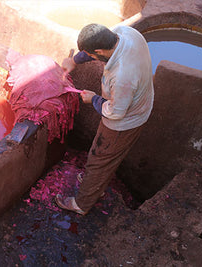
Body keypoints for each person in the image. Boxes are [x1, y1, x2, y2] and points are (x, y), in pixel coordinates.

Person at [55, 23, 154, 215]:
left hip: (124, 121)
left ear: (99, 50)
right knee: (99, 157)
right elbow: (94, 51)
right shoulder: (125, 33)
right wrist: (74, 61)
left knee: (100, 160)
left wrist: (93, 99)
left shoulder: (124, 74)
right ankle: (95, 182)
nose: (91, 58)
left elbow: (116, 112)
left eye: (91, 55)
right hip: (133, 102)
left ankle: (82, 203)